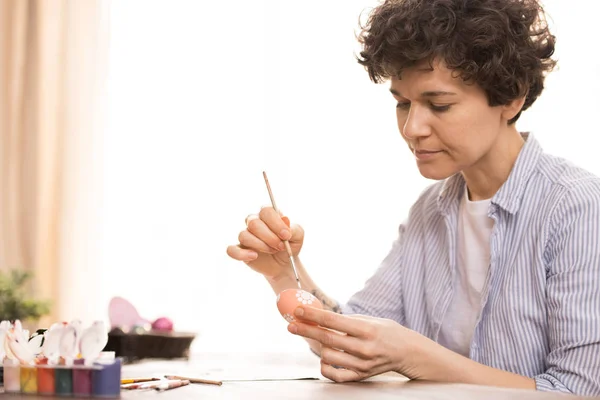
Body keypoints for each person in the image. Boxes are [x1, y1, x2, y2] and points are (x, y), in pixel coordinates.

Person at [226, 0, 600, 396]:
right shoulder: (430, 210)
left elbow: (580, 391)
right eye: (402, 103)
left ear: (512, 98)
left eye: (439, 104)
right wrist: (283, 270)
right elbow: (354, 343)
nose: (411, 127)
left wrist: (416, 357)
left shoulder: (576, 208)